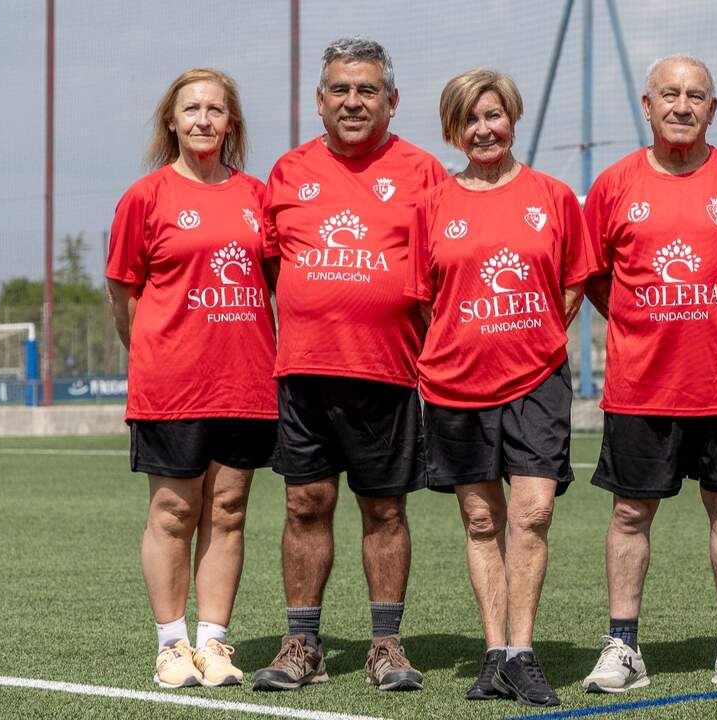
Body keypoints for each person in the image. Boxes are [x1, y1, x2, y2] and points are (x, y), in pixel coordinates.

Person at [580, 54, 717, 693]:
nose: (682, 105)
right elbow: (592, 276)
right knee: (630, 514)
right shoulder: (614, 185)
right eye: (669, 94)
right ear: (647, 106)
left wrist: (712, 319)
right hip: (641, 385)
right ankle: (623, 647)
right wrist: (644, 323)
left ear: (712, 109)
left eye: (696, 95)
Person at [250, 37, 447, 692]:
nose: (353, 101)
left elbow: (444, 271)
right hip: (304, 371)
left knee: (384, 509)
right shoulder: (287, 173)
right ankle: (302, 643)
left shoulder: (423, 172)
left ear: (391, 100)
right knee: (306, 502)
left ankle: (385, 646)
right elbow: (278, 267)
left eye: (367, 90)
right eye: (341, 89)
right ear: (320, 99)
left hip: (388, 372)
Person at [406, 68, 596, 708]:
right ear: (452, 131)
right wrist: (463, 339)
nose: (484, 130)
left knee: (534, 511)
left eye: (494, 116)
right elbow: (422, 300)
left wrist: (535, 333)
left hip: (537, 378)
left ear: (512, 117)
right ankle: (493, 656)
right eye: (470, 121)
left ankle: (522, 651)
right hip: (457, 383)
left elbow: (573, 283)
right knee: (481, 517)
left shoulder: (553, 196)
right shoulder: (432, 203)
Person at [106, 68, 277, 689]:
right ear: (171, 122)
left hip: (248, 383)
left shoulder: (259, 196)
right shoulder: (145, 198)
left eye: (216, 109)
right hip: (172, 386)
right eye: (191, 109)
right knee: (175, 511)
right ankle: (171, 644)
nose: (203, 119)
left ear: (231, 122)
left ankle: (215, 642)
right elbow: (123, 294)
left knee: (229, 511)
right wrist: (158, 354)